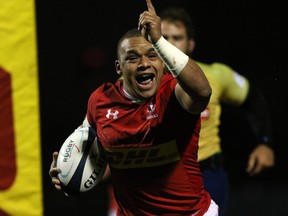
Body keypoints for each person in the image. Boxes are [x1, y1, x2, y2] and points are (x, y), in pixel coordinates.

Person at [49, 0, 219, 215]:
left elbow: (203, 91)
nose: (144, 64)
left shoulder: (173, 93)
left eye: (152, 55)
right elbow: (88, 149)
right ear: (119, 67)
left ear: (162, 61)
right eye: (132, 58)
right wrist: (66, 173)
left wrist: (158, 40)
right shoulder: (100, 100)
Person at [158, 6, 275, 216]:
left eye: (177, 37)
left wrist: (264, 143)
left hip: (206, 175)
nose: (170, 43)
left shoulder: (215, 75)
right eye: (163, 37)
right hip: (157, 177)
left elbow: (254, 99)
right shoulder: (136, 82)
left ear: (190, 44)